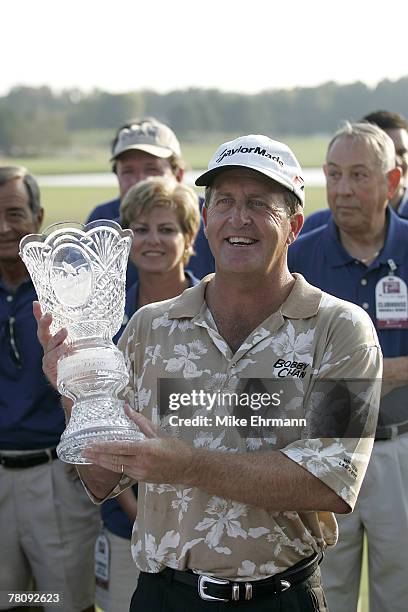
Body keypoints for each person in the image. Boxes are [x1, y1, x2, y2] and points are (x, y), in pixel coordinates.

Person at [36, 135, 382, 611]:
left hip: (281, 597)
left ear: (294, 226)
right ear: (207, 218)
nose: (239, 219)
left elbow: (331, 482)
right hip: (166, 596)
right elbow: (100, 480)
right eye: (225, 202)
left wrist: (187, 465)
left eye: (259, 204)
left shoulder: (342, 329)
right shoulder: (149, 328)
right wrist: (74, 386)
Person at [288, 121, 408, 612]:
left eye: (358, 175)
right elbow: (278, 361)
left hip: (400, 451)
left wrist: (384, 373)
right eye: (333, 174)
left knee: (399, 590)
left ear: (392, 182)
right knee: (325, 592)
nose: (342, 189)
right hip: (320, 450)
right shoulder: (299, 257)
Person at [96, 176, 201, 612]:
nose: (152, 240)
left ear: (190, 237)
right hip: (128, 519)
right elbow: (99, 419)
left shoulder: (221, 310)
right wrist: (137, 510)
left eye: (167, 228)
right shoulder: (100, 319)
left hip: (207, 519)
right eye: (140, 229)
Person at [0, 166, 99, 612]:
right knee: (13, 600)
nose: (4, 228)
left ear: (38, 217)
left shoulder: (70, 287)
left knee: (61, 602)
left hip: (55, 477)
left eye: (15, 213)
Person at [86, 117, 214, 281]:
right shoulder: (102, 221)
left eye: (151, 169)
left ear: (178, 175)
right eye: (128, 171)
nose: (140, 181)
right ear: (116, 176)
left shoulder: (211, 217)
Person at [302, 110, 408, 233]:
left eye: (402, 152)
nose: (396, 160)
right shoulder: (316, 225)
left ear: (392, 178)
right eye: (388, 152)